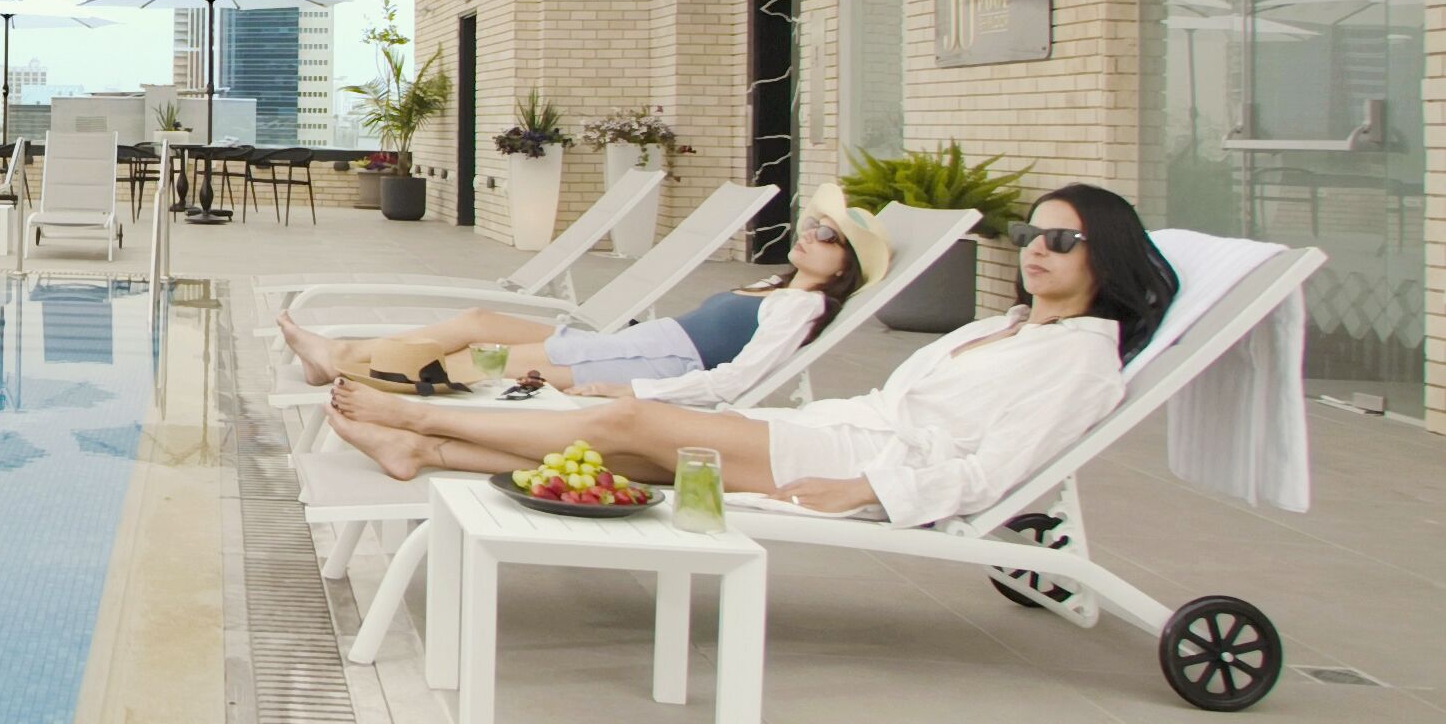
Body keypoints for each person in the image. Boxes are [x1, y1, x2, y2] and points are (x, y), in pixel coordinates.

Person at [325, 185, 1179, 527]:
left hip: (864, 455)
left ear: (1103, 256)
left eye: (1060, 240)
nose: (1036, 249)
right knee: (623, 451)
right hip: (838, 430)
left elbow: (999, 464)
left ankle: (415, 413)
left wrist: (872, 489)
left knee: (622, 419)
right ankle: (425, 449)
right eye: (1031, 233)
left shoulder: (1078, 363)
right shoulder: (1006, 327)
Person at [277, 208, 886, 409]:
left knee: (479, 360)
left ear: (846, 267)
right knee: (478, 325)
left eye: (829, 238)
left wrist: (638, 394)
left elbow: (741, 379)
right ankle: (341, 358)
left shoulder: (799, 310)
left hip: (651, 362)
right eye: (813, 226)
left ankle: (343, 362)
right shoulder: (778, 289)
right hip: (637, 343)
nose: (812, 235)